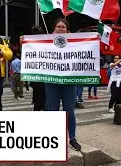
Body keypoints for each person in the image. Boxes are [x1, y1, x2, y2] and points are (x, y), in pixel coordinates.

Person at [44, 19, 81, 151]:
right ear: (53, 29)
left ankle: (72, 138)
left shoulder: (74, 44)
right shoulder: (46, 43)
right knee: (52, 111)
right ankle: (54, 138)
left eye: (63, 27)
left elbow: (87, 49)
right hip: (51, 83)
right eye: (58, 27)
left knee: (69, 111)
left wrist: (94, 40)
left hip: (69, 83)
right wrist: (23, 42)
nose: (60, 29)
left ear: (67, 30)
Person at [22, 25, 46, 111]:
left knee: (39, 100)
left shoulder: (46, 44)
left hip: (43, 77)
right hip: (36, 77)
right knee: (39, 101)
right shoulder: (28, 46)